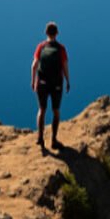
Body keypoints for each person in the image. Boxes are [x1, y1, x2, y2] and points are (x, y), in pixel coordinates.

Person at [31, 21, 70, 150]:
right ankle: (53, 140)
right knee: (56, 111)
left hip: (42, 83)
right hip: (56, 84)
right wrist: (68, 81)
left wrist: (33, 81)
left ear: (46, 33)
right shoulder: (61, 48)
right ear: (57, 33)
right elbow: (65, 66)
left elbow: (34, 65)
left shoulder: (41, 46)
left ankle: (40, 138)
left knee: (42, 110)